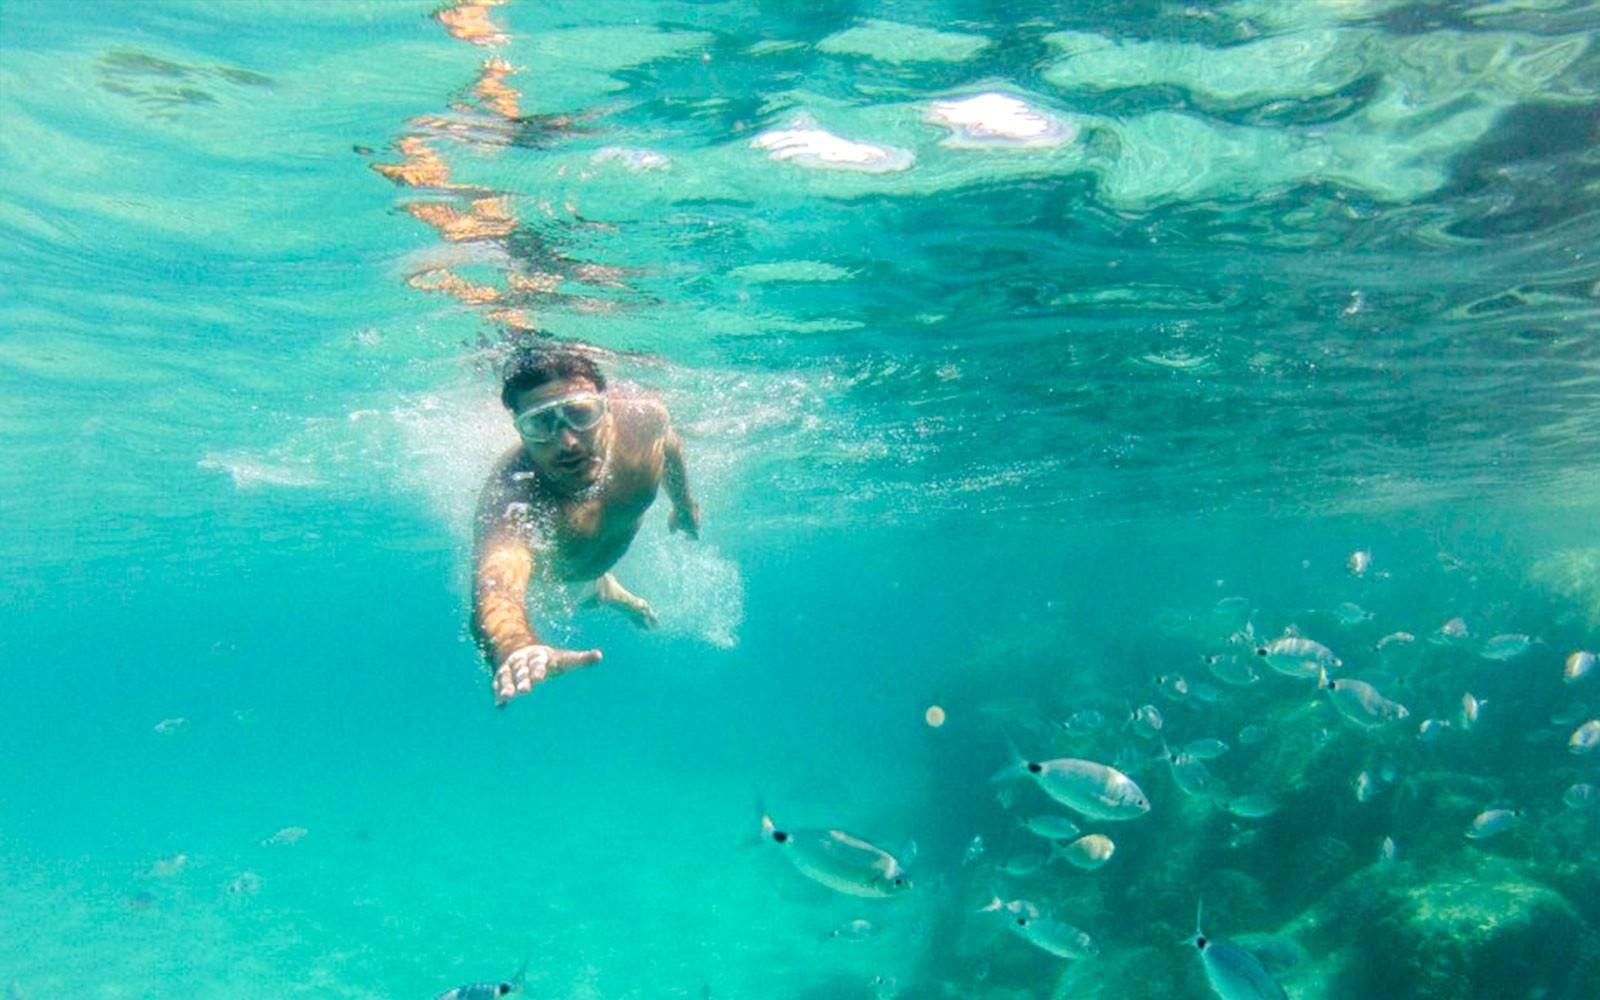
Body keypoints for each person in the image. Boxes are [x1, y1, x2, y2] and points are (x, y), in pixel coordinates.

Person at [471, 343, 700, 705]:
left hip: (591, 557)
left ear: (606, 411)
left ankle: (607, 587)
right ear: (520, 433)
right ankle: (605, 590)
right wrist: (515, 647)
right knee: (580, 593)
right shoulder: (515, 496)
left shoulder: (644, 422)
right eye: (540, 423)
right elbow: (496, 587)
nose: (567, 442)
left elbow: (669, 445)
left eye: (581, 414)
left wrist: (684, 502)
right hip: (564, 580)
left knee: (593, 576)